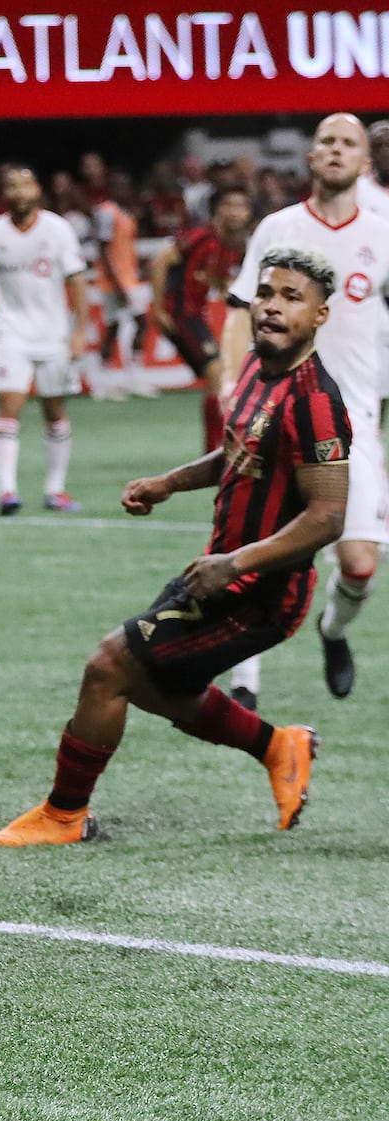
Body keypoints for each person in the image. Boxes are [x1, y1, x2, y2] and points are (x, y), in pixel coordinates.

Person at [0, 247, 349, 845]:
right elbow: (239, 449)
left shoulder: (316, 402)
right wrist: (170, 483)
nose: (273, 307)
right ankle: (278, 746)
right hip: (221, 572)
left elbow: (328, 517)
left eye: (292, 298)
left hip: (261, 591)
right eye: (266, 293)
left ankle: (63, 815)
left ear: (319, 316)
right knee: (163, 688)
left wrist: (235, 563)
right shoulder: (261, 369)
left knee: (109, 666)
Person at [220, 114, 389, 709]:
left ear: (364, 161)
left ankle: (333, 631)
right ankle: (245, 681)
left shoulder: (384, 230)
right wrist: (230, 386)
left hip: (355, 423)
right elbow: (242, 310)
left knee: (361, 565)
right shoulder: (279, 227)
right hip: (275, 414)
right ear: (312, 156)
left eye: (349, 143)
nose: (336, 150)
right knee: (258, 551)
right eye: (327, 141)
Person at [0, 166, 89, 515]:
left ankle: (55, 490)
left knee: (54, 410)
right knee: (9, 407)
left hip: (54, 335)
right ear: (4, 194)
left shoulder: (59, 230)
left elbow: (78, 281)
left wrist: (80, 330)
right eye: (12, 187)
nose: (20, 193)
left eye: (25, 186)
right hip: (11, 335)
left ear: (37, 190)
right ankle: (7, 491)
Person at [149, 186, 253, 453]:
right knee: (217, 374)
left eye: (241, 207)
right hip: (180, 314)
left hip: (196, 316)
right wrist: (159, 309)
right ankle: (214, 450)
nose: (235, 212)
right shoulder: (200, 236)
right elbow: (160, 262)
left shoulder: (229, 246)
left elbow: (217, 282)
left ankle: (217, 447)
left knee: (219, 377)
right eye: (229, 205)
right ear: (218, 210)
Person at [91, 174, 152, 399]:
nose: (123, 190)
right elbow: (104, 248)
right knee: (133, 324)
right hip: (117, 281)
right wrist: (116, 281)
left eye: (126, 185)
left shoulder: (125, 212)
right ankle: (112, 381)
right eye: (119, 185)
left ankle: (116, 380)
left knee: (119, 327)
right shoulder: (108, 212)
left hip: (127, 278)